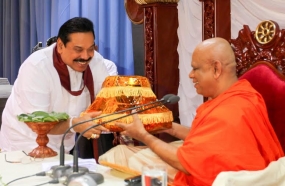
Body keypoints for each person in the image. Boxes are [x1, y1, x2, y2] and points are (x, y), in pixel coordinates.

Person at [99, 37, 284, 186]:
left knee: (118, 154)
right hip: (220, 168)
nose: (191, 74)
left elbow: (185, 163)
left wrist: (144, 136)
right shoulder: (245, 94)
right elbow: (207, 141)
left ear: (216, 69)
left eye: (196, 68)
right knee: (125, 152)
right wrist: (168, 127)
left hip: (217, 178)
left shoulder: (229, 112)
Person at [0, 17, 110, 156]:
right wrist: (75, 124)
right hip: (24, 147)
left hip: (63, 147)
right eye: (78, 49)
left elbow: (107, 100)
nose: (85, 56)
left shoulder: (96, 62)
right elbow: (40, 123)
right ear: (60, 45)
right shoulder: (37, 67)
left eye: (90, 49)